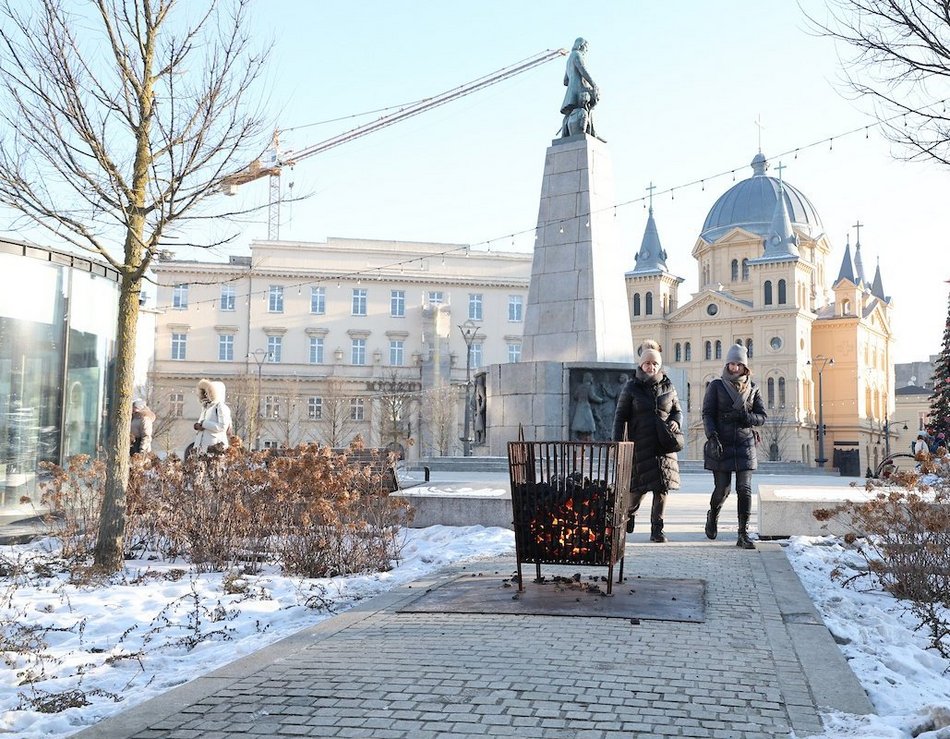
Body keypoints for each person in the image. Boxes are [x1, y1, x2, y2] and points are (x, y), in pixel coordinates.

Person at [612, 341, 682, 543]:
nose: (651, 367)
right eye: (647, 363)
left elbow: (677, 410)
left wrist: (676, 422)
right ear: (641, 365)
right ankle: (630, 513)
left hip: (663, 445)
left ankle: (657, 530)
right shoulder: (631, 386)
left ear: (659, 365)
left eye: (654, 363)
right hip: (640, 446)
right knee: (637, 492)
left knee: (662, 489)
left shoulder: (668, 385)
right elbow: (620, 417)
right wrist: (618, 443)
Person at [702, 343, 767, 549]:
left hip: (744, 444)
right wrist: (712, 436)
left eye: (738, 364)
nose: (734, 367)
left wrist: (745, 416)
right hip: (721, 443)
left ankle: (743, 533)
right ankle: (713, 515)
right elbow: (708, 414)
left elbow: (762, 417)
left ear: (745, 366)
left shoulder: (753, 388)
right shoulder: (716, 386)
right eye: (731, 363)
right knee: (722, 489)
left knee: (745, 489)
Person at [560, 37, 599, 138]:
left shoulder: (569, 59)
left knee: (571, 114)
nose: (586, 50)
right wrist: (593, 84)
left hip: (570, 92)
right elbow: (583, 70)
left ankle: (567, 133)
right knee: (588, 107)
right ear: (581, 45)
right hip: (579, 89)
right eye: (586, 47)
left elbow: (565, 81)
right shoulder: (577, 54)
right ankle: (592, 131)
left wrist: (573, 77)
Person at [193, 378, 232, 454]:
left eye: (207, 392)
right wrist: (198, 426)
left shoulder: (221, 407)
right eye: (204, 393)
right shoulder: (205, 407)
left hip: (215, 447)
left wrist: (204, 424)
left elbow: (223, 427)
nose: (206, 395)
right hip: (202, 447)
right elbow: (202, 424)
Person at [571, 371, 604, 441]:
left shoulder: (580, 386)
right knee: (590, 422)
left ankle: (573, 436)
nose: (592, 379)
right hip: (586, 406)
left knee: (577, 421)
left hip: (579, 406)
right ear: (589, 378)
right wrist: (601, 400)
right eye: (591, 377)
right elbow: (592, 396)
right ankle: (592, 437)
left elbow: (575, 396)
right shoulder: (589, 387)